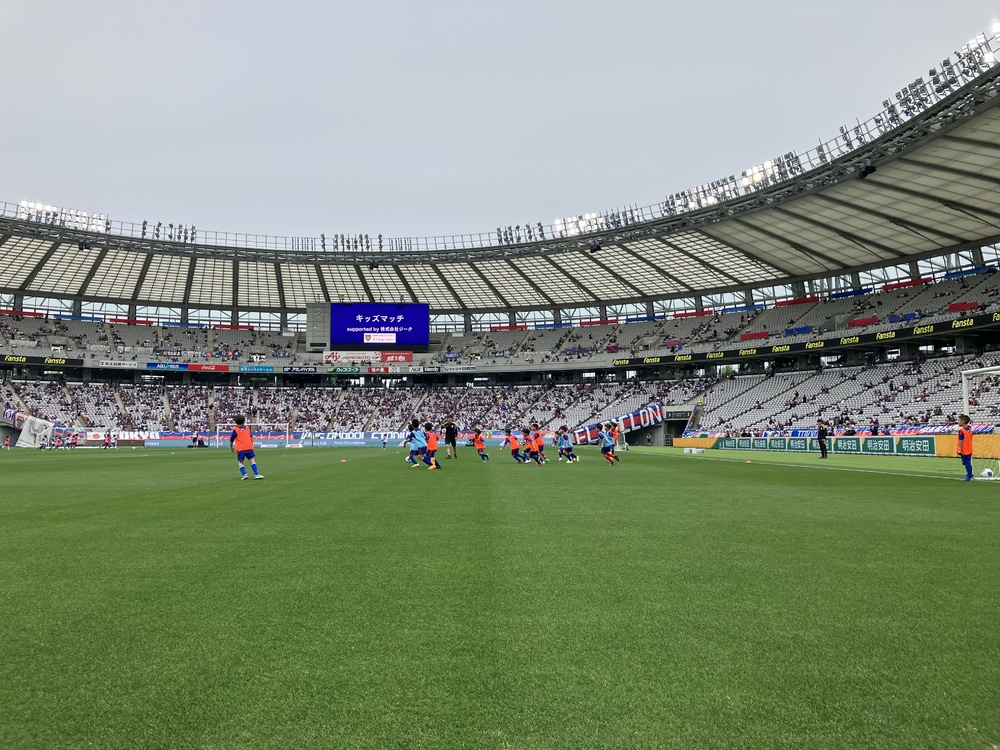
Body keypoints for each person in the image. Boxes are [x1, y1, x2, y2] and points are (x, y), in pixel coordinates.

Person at [230, 415, 263, 480]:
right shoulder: (247, 428)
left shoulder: (235, 430)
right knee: (252, 460)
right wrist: (252, 445)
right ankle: (256, 474)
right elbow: (251, 437)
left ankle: (244, 475)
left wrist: (231, 447)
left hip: (240, 449)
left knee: (240, 462)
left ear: (236, 422)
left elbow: (231, 439)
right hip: (249, 448)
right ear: (244, 421)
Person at [957, 414, 974, 481]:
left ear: (963, 421)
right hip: (970, 448)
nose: (958, 422)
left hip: (964, 449)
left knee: (966, 462)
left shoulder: (961, 430)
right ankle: (970, 474)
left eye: (959, 420)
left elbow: (961, 440)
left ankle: (969, 475)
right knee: (967, 462)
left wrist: (959, 449)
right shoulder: (970, 429)